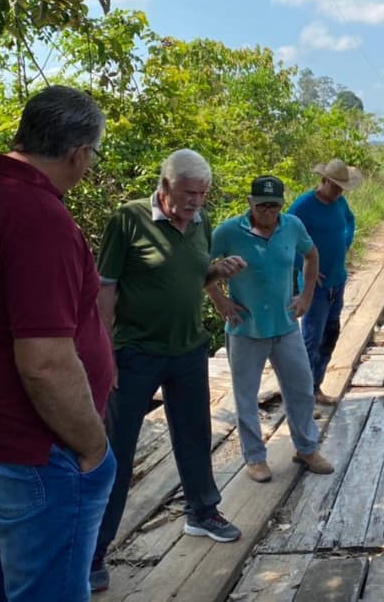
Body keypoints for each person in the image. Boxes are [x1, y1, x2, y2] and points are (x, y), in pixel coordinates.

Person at [0, 85, 116, 601]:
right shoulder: (37, 216)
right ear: (78, 153)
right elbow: (45, 363)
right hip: (29, 447)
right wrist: (94, 448)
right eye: (93, 155)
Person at [90, 149, 244, 592]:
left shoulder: (200, 221)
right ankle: (94, 550)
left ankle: (201, 511)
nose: (197, 201)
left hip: (189, 349)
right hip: (134, 353)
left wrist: (216, 270)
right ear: (165, 185)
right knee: (116, 451)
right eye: (189, 192)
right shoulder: (128, 220)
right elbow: (105, 290)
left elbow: (192, 276)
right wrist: (104, 353)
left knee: (195, 435)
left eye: (203, 193)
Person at [209, 175, 334, 484]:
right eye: (262, 206)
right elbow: (201, 266)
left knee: (301, 389)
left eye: (274, 206)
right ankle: (255, 458)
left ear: (282, 205)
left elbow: (311, 254)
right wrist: (220, 300)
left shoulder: (292, 226)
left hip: (285, 324)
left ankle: (306, 448)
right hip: (245, 327)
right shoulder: (228, 231)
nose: (268, 212)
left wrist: (306, 294)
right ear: (250, 202)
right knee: (246, 397)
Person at [288, 159, 361, 405]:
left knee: (330, 335)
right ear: (324, 181)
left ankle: (316, 385)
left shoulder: (340, 203)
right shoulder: (303, 206)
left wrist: (346, 241)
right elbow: (283, 238)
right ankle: (303, 393)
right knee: (312, 338)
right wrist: (304, 265)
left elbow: (349, 220)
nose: (339, 192)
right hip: (315, 287)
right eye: (335, 186)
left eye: (342, 188)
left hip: (337, 280)